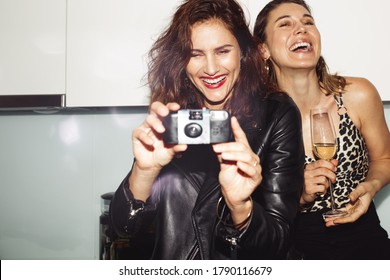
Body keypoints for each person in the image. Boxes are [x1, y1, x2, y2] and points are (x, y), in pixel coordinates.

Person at [109, 0, 304, 260]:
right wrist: (144, 171)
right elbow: (124, 230)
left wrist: (241, 208)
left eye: (223, 51)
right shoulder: (172, 112)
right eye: (195, 54)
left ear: (243, 53)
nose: (211, 69)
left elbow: (277, 243)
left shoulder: (276, 114)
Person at [254, 0, 390, 259]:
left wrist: (371, 186)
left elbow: (385, 157)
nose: (301, 29)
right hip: (295, 248)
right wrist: (297, 196)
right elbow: (248, 211)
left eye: (308, 22)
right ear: (263, 49)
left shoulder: (358, 94)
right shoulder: (256, 119)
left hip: (366, 239)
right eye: (285, 24)